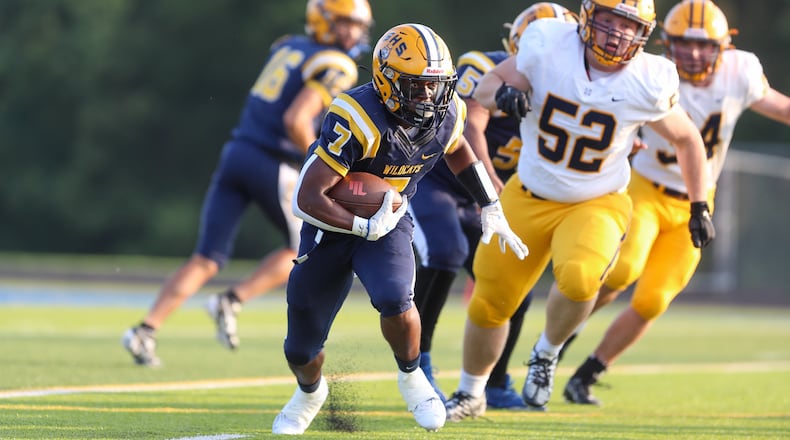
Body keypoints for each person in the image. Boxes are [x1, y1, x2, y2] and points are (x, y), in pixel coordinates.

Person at [444, 0, 715, 419]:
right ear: (588, 17)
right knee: (490, 301)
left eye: (629, 26)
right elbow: (484, 88)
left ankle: (546, 354)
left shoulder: (650, 78)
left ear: (644, 34)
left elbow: (687, 139)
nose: (618, 33)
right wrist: (503, 91)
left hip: (597, 200)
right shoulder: (548, 43)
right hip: (530, 192)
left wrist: (699, 203)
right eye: (609, 20)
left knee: (582, 277)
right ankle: (471, 391)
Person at [270, 23, 528, 435]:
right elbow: (307, 197)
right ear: (387, 82)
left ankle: (412, 376)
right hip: (331, 221)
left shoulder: (450, 113)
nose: (428, 97)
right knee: (300, 345)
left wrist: (489, 203)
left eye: (435, 85)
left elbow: (459, 149)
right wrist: (359, 222)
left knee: (395, 296)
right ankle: (308, 392)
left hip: (388, 219)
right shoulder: (358, 115)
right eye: (415, 86)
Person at [121, 0, 373, 367]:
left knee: (207, 258)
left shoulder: (288, 46)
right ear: (323, 20)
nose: (352, 31)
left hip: (238, 151)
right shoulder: (337, 65)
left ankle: (145, 330)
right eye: (345, 22)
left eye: (356, 24)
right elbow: (296, 119)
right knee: (300, 247)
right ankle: (231, 301)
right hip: (273, 161)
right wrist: (320, 164)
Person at [563, 0, 790, 406]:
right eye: (683, 44)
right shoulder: (649, 70)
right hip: (645, 189)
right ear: (666, 43)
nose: (694, 54)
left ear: (725, 46)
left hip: (696, 197)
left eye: (703, 46)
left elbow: (777, 104)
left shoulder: (741, 71)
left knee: (653, 299)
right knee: (621, 271)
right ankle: (558, 336)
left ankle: (588, 373)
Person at [411, 2, 578, 410]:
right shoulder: (486, 66)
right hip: (437, 179)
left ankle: (497, 381)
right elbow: (471, 125)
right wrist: (488, 184)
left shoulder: (570, 86)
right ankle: (419, 363)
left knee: (514, 286)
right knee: (446, 250)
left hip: (487, 197)